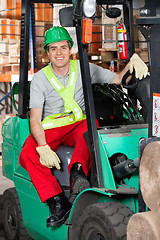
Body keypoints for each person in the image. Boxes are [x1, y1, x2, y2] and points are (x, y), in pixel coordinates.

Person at [19, 26, 148, 228]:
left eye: (63, 47)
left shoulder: (84, 69)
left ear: (70, 49)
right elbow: (35, 119)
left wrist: (131, 64)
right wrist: (42, 146)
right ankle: (57, 202)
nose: (59, 53)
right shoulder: (40, 80)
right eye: (53, 49)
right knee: (27, 154)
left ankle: (77, 174)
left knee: (91, 127)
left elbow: (117, 79)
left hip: (78, 124)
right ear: (47, 53)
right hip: (52, 128)